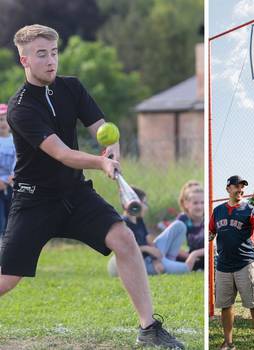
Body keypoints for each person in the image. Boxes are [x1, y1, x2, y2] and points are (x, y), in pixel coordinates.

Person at [2, 24, 184, 348]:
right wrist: (101, 163)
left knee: (124, 239)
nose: (50, 61)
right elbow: (61, 153)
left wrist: (112, 149)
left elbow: (102, 129)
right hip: (34, 201)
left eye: (54, 53)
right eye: (41, 54)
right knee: (7, 278)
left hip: (75, 194)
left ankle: (149, 328)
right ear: (24, 60)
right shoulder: (20, 107)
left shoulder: (72, 88)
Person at [209, 175, 254, 350]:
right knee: (226, 306)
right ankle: (228, 342)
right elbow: (211, 233)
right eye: (237, 186)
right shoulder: (218, 211)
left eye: (242, 187)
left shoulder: (250, 209)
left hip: (245, 263)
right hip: (223, 265)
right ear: (228, 188)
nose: (240, 189)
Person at [108, 187, 202, 276]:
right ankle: (166, 264)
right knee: (186, 268)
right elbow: (125, 249)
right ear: (135, 204)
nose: (146, 207)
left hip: (150, 257)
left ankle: (169, 260)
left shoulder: (139, 220)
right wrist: (146, 249)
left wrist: (156, 259)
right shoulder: (123, 223)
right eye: (144, 203)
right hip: (139, 263)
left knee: (179, 225)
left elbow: (148, 241)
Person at [175, 181, 205, 271]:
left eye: (202, 202)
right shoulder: (183, 219)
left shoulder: (210, 217)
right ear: (186, 204)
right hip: (192, 257)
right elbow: (172, 244)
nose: (199, 207)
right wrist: (189, 256)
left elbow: (216, 246)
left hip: (207, 255)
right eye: (195, 203)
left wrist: (195, 254)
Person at [0, 103, 15, 237]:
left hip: (11, 184)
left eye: (6, 119)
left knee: (12, 218)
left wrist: (14, 175)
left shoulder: (15, 140)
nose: (3, 123)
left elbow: (19, 159)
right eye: (0, 120)